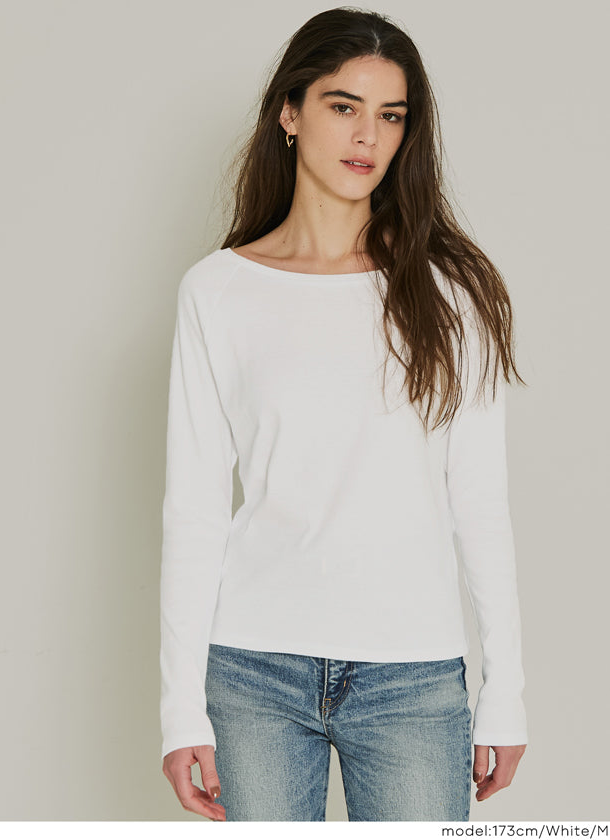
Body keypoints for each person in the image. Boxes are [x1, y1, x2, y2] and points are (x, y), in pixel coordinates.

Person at [159, 7, 528, 822]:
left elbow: (479, 503)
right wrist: (180, 710)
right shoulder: (217, 292)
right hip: (253, 672)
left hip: (412, 676)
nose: (367, 135)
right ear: (289, 114)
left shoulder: (451, 293)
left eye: (390, 115)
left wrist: (506, 692)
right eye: (343, 106)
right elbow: (194, 512)